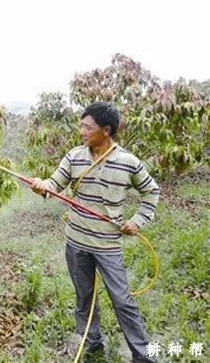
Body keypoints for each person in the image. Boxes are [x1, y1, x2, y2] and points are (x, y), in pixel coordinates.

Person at [30, 102, 159, 363]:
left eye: (87, 127)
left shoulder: (127, 162)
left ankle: (144, 356)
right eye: (81, 126)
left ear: (106, 130)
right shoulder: (74, 156)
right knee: (84, 296)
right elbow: (55, 184)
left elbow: (151, 191)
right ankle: (92, 344)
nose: (82, 132)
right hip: (76, 241)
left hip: (108, 245)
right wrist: (43, 185)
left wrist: (137, 220)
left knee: (122, 301)